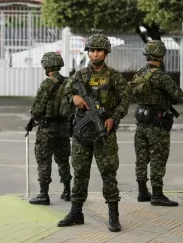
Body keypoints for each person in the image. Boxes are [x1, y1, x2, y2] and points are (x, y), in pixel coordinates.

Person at [57, 33, 130, 232]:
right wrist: (74, 99)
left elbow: (125, 100)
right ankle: (76, 212)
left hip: (104, 134)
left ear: (106, 53)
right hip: (82, 135)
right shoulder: (79, 76)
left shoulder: (114, 77)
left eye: (98, 50)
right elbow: (64, 97)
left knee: (108, 173)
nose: (94, 54)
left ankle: (113, 215)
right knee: (80, 173)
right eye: (91, 50)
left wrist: (113, 118)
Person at [130, 40, 183, 207]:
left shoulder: (138, 74)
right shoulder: (161, 76)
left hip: (141, 123)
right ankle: (157, 195)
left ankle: (142, 191)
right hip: (157, 124)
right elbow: (179, 96)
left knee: (141, 157)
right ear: (161, 55)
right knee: (158, 158)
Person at [27, 52, 73, 205]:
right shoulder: (68, 82)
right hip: (64, 128)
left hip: (47, 128)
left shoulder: (46, 84)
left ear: (46, 66)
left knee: (44, 160)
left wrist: (33, 116)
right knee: (63, 160)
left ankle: (43, 194)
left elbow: (37, 109)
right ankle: (67, 191)